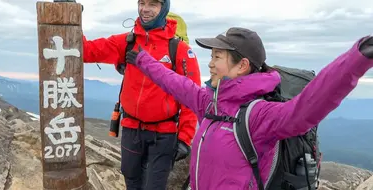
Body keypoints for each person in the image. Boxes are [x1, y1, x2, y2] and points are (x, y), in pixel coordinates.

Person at [125, 27, 373, 189]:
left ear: (242, 66)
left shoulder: (259, 115)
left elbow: (309, 106)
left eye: (217, 57)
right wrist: (141, 59)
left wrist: (358, 59)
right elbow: (174, 82)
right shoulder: (210, 103)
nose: (210, 64)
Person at [82, 0, 202, 189]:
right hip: (131, 129)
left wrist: (185, 138)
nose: (145, 9)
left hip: (164, 134)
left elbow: (191, 96)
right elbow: (87, 51)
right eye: (142, 3)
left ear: (164, 8)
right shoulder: (127, 42)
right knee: (131, 183)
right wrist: (71, 19)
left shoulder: (179, 50)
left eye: (153, 4)